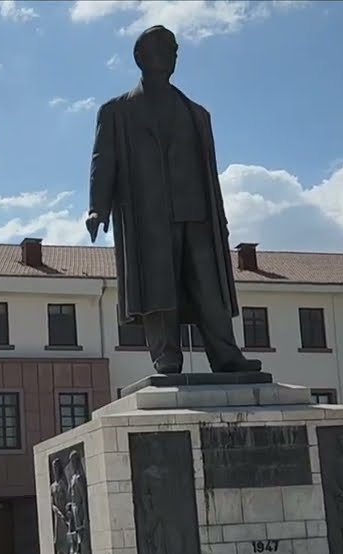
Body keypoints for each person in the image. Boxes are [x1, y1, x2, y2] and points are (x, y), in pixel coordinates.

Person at [86, 25, 261, 376]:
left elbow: (208, 170)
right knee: (158, 287)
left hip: (198, 213)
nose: (170, 55)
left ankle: (226, 356)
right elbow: (103, 160)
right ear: (139, 57)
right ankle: (166, 356)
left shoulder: (197, 114)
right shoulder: (117, 111)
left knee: (210, 288)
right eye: (161, 48)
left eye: (173, 49)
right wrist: (97, 207)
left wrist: (220, 217)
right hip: (147, 214)